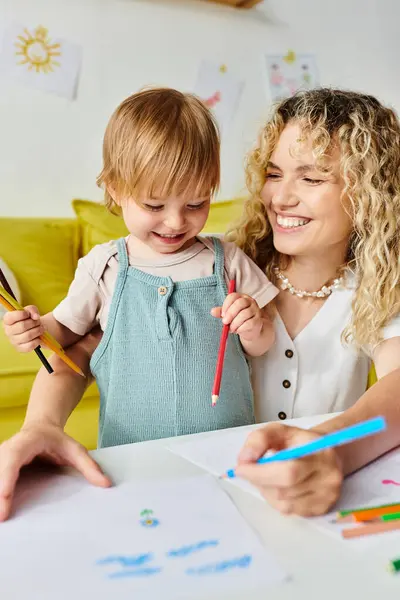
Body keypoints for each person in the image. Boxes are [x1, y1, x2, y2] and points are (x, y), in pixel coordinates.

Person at [2, 87, 277, 450]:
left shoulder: (226, 260)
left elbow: (264, 343)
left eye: (196, 203)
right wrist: (34, 329)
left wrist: (254, 326)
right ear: (116, 190)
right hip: (129, 453)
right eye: (154, 205)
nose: (176, 222)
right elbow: (64, 333)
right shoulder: (105, 266)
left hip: (227, 448)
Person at [226, 88, 400, 515]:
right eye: (273, 173)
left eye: (312, 177)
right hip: (222, 491)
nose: (281, 198)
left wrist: (330, 449)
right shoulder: (228, 270)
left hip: (316, 506)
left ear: (366, 193)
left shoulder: (377, 287)